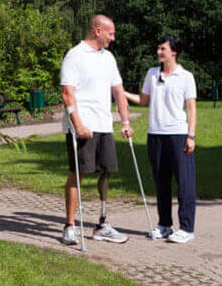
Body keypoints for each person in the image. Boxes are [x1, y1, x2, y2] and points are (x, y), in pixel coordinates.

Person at [60, 14, 133, 245]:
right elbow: (67, 93)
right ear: (97, 31)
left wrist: (125, 122)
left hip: (104, 124)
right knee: (78, 174)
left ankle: (102, 224)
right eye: (110, 33)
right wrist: (78, 124)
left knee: (106, 170)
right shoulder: (75, 56)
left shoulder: (108, 58)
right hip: (82, 127)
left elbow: (119, 92)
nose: (113, 38)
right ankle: (70, 227)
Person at [124, 35, 198, 243]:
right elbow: (143, 100)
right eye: (158, 48)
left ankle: (186, 228)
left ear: (173, 52)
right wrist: (122, 92)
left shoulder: (186, 77)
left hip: (178, 134)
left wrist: (190, 136)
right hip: (155, 135)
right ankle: (165, 225)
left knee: (185, 183)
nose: (158, 52)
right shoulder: (152, 74)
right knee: (161, 183)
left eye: (162, 49)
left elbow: (191, 108)